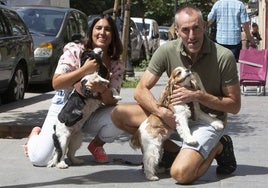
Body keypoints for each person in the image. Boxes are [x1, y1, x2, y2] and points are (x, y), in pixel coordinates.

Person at [111, 6, 241, 184]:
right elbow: (140, 90)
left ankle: (218, 146)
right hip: (173, 115)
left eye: (196, 28)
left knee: (181, 174)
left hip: (206, 119)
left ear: (204, 26)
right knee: (119, 115)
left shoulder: (223, 56)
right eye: (185, 30)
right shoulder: (167, 50)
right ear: (177, 30)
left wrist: (198, 96)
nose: (191, 35)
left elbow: (234, 106)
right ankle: (171, 152)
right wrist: (163, 112)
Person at [24, 14, 125, 166]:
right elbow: (56, 83)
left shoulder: (116, 64)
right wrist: (84, 70)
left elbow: (112, 101)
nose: (102, 33)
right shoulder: (75, 50)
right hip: (65, 107)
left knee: (122, 116)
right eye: (98, 28)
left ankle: (97, 146)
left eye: (107, 29)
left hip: (90, 110)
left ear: (113, 35)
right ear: (91, 31)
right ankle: (34, 137)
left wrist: (103, 90)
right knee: (40, 159)